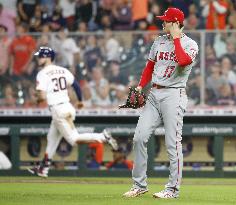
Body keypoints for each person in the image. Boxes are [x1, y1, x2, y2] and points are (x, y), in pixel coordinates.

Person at [123, 8, 198, 199]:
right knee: (139, 137)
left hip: (174, 94)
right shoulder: (158, 41)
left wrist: (176, 38)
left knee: (173, 143)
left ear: (175, 23)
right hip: (154, 93)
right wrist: (140, 86)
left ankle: (172, 189)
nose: (162, 23)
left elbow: (182, 61)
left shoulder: (190, 44)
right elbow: (150, 66)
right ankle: (139, 184)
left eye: (166, 21)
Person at [28, 47, 118, 177]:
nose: (38, 58)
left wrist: (35, 100)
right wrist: (80, 100)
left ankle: (102, 137)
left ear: (48, 58)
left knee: (74, 140)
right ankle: (44, 168)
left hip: (59, 110)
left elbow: (42, 97)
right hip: (66, 107)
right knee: (52, 138)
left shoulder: (42, 73)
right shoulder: (63, 70)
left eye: (41, 56)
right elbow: (75, 85)